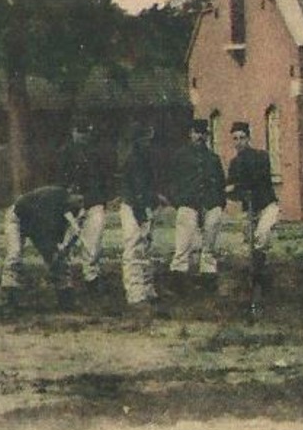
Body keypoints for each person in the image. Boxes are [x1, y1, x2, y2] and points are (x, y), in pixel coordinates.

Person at [1, 184, 89, 310]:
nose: (80, 204)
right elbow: (43, 228)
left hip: (38, 224)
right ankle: (10, 297)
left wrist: (63, 248)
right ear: (71, 193)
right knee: (14, 255)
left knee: (60, 260)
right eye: (79, 200)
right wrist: (53, 250)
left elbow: (70, 235)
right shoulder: (52, 197)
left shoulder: (75, 211)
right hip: (18, 218)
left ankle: (66, 298)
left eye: (83, 202)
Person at [224, 120, 279, 317]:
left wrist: (239, 186)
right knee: (247, 245)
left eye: (242, 138)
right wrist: (235, 190)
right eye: (235, 139)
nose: (238, 142)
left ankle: (260, 275)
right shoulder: (234, 163)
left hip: (266, 206)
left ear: (248, 139)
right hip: (249, 209)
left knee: (261, 238)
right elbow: (230, 189)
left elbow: (257, 179)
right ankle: (253, 282)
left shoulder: (260, 157)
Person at [168, 120, 227, 282]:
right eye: (196, 132)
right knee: (184, 238)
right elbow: (172, 181)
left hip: (210, 202)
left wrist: (220, 202)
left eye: (203, 133)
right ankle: (178, 272)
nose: (199, 136)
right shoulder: (180, 156)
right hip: (188, 201)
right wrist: (178, 201)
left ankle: (208, 271)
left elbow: (221, 182)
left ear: (207, 136)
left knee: (211, 234)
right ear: (190, 134)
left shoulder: (213, 158)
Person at [57, 122, 112, 286]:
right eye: (80, 132)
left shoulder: (97, 153)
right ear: (73, 132)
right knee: (66, 242)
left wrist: (103, 198)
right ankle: (64, 281)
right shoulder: (64, 152)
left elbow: (104, 178)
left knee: (94, 241)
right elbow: (59, 181)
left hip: (94, 201)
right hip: (71, 204)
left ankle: (92, 277)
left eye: (86, 132)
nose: (83, 136)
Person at [118, 123, 162, 309]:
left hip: (145, 206)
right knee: (134, 247)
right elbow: (137, 191)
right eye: (145, 139)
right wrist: (142, 214)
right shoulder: (133, 160)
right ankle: (135, 293)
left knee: (145, 247)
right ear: (138, 140)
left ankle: (147, 288)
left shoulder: (145, 159)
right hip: (133, 206)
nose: (148, 142)